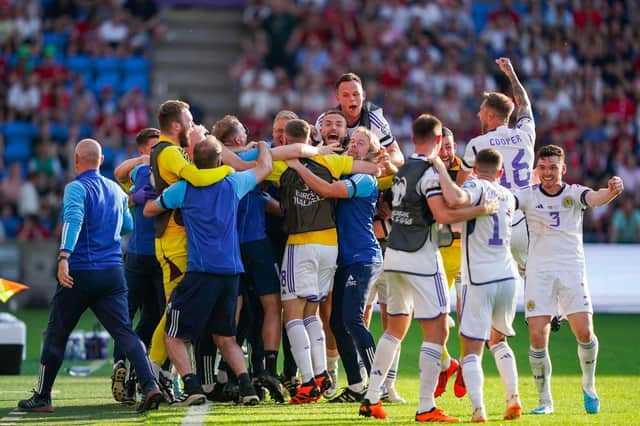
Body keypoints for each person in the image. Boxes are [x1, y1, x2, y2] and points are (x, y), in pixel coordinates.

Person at [359, 114, 497, 422]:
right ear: (437, 141)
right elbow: (443, 214)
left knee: (394, 330)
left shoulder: (403, 170)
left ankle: (371, 397)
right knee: (436, 332)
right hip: (422, 258)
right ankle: (426, 406)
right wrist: (481, 209)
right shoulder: (431, 175)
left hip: (393, 256)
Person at [17, 139, 162, 414]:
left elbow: (73, 219)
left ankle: (43, 396)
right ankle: (150, 385)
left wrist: (64, 257)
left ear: (75, 160)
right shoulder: (117, 191)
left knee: (56, 334)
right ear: (101, 159)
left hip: (80, 272)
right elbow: (127, 226)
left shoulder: (76, 187)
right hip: (112, 272)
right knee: (125, 333)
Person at [144, 137, 273, 406]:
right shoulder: (233, 183)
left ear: (192, 161)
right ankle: (247, 389)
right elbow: (265, 168)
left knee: (173, 335)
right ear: (219, 161)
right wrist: (262, 145)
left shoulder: (183, 188)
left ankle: (192, 387)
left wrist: (149, 193)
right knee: (226, 338)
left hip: (200, 273)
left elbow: (149, 210)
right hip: (231, 273)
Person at [265, 116, 380, 404]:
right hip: (331, 246)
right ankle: (321, 375)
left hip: (302, 243)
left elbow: (252, 160)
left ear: (286, 140)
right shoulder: (335, 163)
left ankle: (308, 383)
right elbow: (377, 167)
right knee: (314, 315)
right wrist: (318, 153)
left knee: (292, 315)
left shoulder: (285, 163)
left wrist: (297, 157)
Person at [285, 127, 395, 403]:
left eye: (361, 143)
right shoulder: (345, 170)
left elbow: (327, 189)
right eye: (352, 142)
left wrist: (298, 165)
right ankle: (357, 384)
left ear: (370, 151)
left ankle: (377, 382)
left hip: (363, 257)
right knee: (336, 321)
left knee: (353, 319)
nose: (354, 146)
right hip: (344, 258)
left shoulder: (366, 178)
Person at [514, 144, 624, 415]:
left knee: (585, 332)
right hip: (538, 273)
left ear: (563, 169)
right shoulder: (527, 196)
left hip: (571, 270)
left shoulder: (574, 194)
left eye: (553, 167)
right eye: (543, 168)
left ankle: (589, 386)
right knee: (538, 336)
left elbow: (595, 198)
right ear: (536, 170)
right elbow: (507, 204)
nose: (548, 172)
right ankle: (545, 401)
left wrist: (610, 191)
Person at [147, 100, 233, 403]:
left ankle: (156, 374)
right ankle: (150, 374)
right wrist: (228, 174)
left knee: (177, 313)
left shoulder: (166, 152)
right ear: (176, 126)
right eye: (190, 119)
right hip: (173, 241)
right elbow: (197, 177)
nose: (194, 124)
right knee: (174, 314)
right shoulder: (169, 152)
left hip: (175, 241)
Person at [430, 148, 522, 422]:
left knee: (471, 348)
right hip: (507, 277)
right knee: (499, 341)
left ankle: (478, 409)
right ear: (501, 172)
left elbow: (458, 197)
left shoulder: (475, 186)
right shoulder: (508, 195)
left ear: (474, 170)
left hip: (479, 278)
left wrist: (439, 166)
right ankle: (513, 398)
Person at [458, 57, 536, 272]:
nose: (478, 114)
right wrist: (512, 75)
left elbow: (461, 187)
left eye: (481, 110)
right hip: (525, 220)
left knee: (490, 289)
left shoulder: (477, 144)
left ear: (491, 115)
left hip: (493, 221)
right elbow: (525, 105)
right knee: (536, 284)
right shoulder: (525, 134)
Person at [111, 128, 165, 405]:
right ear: (144, 149)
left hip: (151, 254)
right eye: (154, 148)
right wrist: (142, 163)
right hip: (144, 254)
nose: (159, 152)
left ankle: (131, 369)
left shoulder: (163, 169)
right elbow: (119, 174)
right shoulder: (138, 172)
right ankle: (124, 366)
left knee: (151, 317)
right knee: (129, 314)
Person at [315, 72, 404, 167]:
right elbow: (307, 150)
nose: (352, 99)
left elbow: (398, 156)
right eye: (346, 95)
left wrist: (378, 164)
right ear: (338, 98)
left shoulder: (374, 119)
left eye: (356, 94)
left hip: (366, 173)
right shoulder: (325, 121)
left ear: (364, 95)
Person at [433, 126, 463, 399]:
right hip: (438, 250)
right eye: (442, 146)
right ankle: (446, 363)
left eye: (449, 145)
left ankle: (466, 364)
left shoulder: (465, 169)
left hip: (465, 252)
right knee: (430, 312)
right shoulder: (425, 171)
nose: (446, 151)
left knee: (469, 314)